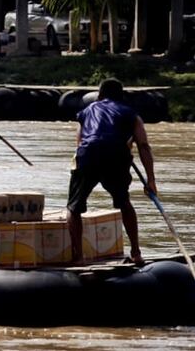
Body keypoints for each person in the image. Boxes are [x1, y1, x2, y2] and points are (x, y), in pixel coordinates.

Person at [67, 78, 157, 265]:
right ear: (121, 96)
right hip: (116, 155)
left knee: (74, 208)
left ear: (99, 96)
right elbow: (143, 146)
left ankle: (78, 257)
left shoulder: (85, 112)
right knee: (124, 203)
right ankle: (136, 253)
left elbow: (80, 142)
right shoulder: (132, 115)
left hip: (88, 154)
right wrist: (150, 180)